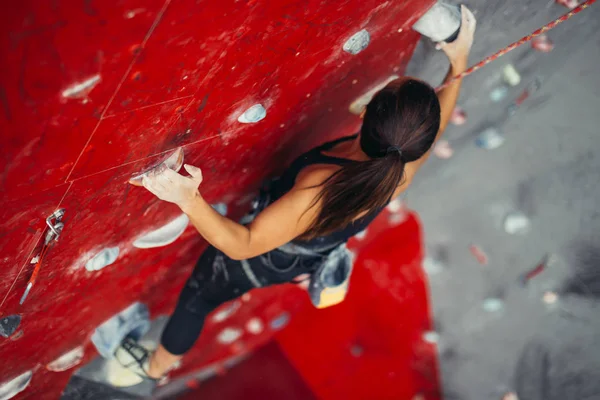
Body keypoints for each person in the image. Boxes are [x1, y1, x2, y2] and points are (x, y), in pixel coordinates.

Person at [115, 6, 476, 384]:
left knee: (199, 297)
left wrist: (189, 199)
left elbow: (243, 244)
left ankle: (155, 368)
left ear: (368, 108)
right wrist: (459, 61)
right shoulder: (397, 169)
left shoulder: (321, 188)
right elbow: (434, 130)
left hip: (265, 258)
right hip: (305, 248)